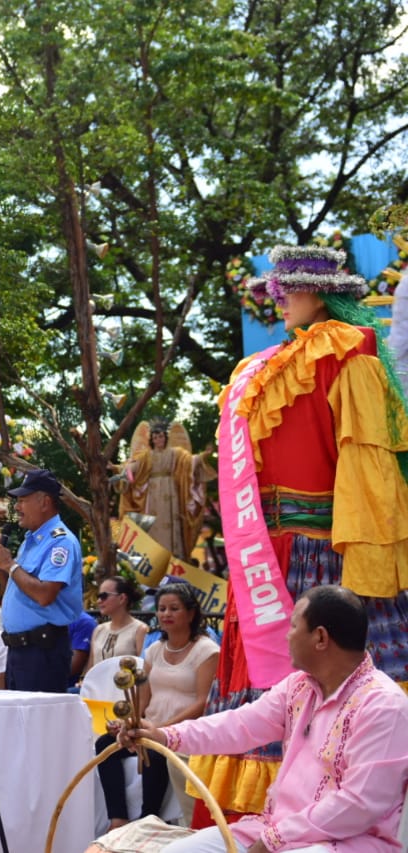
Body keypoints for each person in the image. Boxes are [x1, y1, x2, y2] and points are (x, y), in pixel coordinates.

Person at [199, 245, 408, 816]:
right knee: (270, 683)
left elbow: (368, 468)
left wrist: (362, 557)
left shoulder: (348, 353)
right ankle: (265, 813)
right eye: (277, 288)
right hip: (263, 552)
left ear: (324, 293)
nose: (280, 298)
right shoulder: (257, 368)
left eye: (290, 286)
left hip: (322, 551)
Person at [120, 585, 408, 852]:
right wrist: (162, 735)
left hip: (349, 842)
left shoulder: (383, 705)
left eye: (294, 626)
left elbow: (359, 805)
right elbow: (238, 725)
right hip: (274, 829)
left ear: (320, 638)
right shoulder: (298, 687)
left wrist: (273, 841)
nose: (287, 635)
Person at [97, 582, 219, 830]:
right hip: (150, 725)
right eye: (162, 609)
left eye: (174, 609)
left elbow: (202, 702)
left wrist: (161, 729)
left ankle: (148, 818)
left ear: (191, 613)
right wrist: (128, 722)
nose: (166, 614)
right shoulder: (154, 649)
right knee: (104, 744)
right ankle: (118, 819)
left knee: (155, 752)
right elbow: (143, 696)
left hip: (183, 733)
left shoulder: (207, 650)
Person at [0, 468, 84, 692]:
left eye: (23, 500)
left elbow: (45, 595)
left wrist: (10, 564)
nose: (17, 507)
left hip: (42, 651)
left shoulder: (60, 541)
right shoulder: (33, 539)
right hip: (20, 650)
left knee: (38, 724)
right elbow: (16, 589)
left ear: (44, 502)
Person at [116, 421, 208, 559]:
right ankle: (154, 557)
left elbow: (189, 461)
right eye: (155, 438)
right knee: (154, 524)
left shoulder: (175, 453)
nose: (158, 440)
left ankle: (172, 557)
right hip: (152, 495)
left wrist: (200, 458)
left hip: (170, 492)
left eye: (160, 436)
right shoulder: (147, 456)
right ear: (152, 440)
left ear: (165, 437)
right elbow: (133, 468)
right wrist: (118, 469)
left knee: (171, 525)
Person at [86, 576, 149, 673]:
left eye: (104, 596)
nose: (99, 601)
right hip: (96, 687)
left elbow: (144, 670)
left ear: (122, 598)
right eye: (99, 596)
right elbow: (91, 668)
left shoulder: (140, 630)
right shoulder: (99, 629)